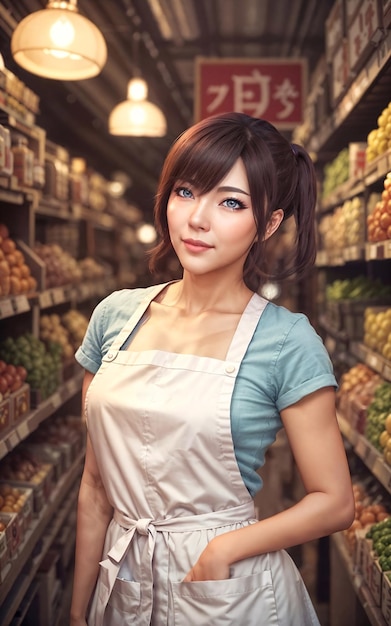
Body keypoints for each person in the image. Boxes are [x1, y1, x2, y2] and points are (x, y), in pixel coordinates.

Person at [70, 112, 354, 626]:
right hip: (122, 578)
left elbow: (334, 502)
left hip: (228, 591)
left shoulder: (286, 340)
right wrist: (76, 611)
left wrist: (222, 551)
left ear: (268, 223)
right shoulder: (114, 315)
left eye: (231, 203)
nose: (197, 219)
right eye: (185, 192)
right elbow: (95, 488)